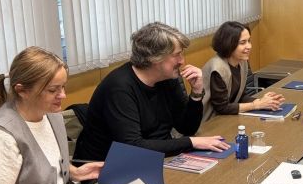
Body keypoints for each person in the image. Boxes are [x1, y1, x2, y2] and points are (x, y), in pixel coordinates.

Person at [0, 47, 103, 184]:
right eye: (53, 90)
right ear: (22, 91)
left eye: (63, 86)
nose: (63, 95)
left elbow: (41, 159)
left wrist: (74, 172)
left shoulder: (50, 114)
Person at [75, 22, 230, 161]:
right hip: (109, 167)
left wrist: (196, 93)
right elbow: (133, 147)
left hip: (157, 158)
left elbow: (187, 128)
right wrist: (191, 142)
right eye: (177, 55)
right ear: (154, 58)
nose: (182, 61)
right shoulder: (119, 88)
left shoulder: (168, 78)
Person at [201, 21, 284, 122]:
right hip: (210, 122)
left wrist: (263, 102)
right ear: (228, 44)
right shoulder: (217, 68)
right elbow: (222, 108)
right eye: (243, 42)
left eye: (249, 41)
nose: (249, 46)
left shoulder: (241, 62)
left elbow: (240, 96)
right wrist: (256, 105)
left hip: (228, 118)